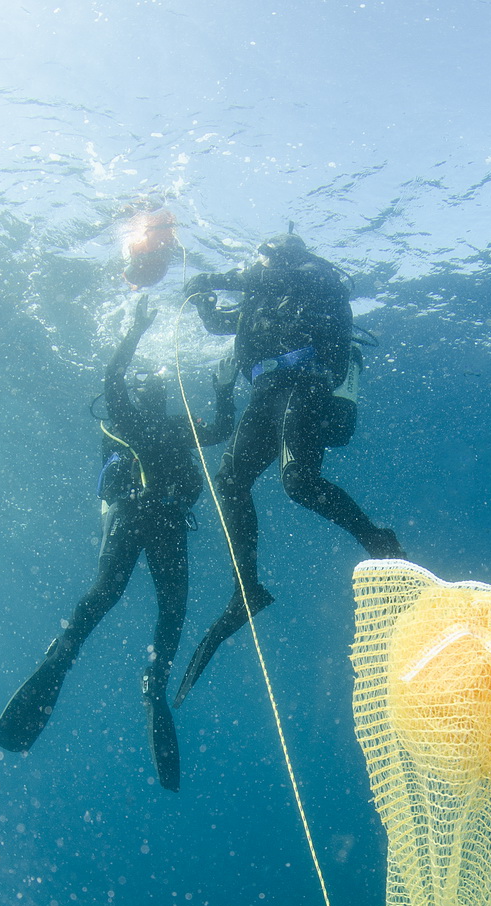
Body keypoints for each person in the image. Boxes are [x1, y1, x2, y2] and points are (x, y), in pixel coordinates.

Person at [0, 295, 235, 791]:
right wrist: (221, 386)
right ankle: (152, 683)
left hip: (138, 517)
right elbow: (215, 427)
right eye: (156, 390)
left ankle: (66, 651)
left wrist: (216, 383)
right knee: (167, 608)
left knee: (111, 595)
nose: (158, 395)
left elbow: (211, 429)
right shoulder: (143, 419)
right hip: (158, 519)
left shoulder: (140, 418)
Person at [174, 231, 404, 706]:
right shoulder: (263, 294)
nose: (254, 264)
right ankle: (247, 588)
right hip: (265, 390)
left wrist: (213, 275)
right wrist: (202, 302)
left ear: (278, 255)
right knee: (230, 480)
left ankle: (377, 539)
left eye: (260, 256)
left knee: (297, 481)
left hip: (306, 381)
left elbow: (256, 275)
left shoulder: (308, 275)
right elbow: (223, 324)